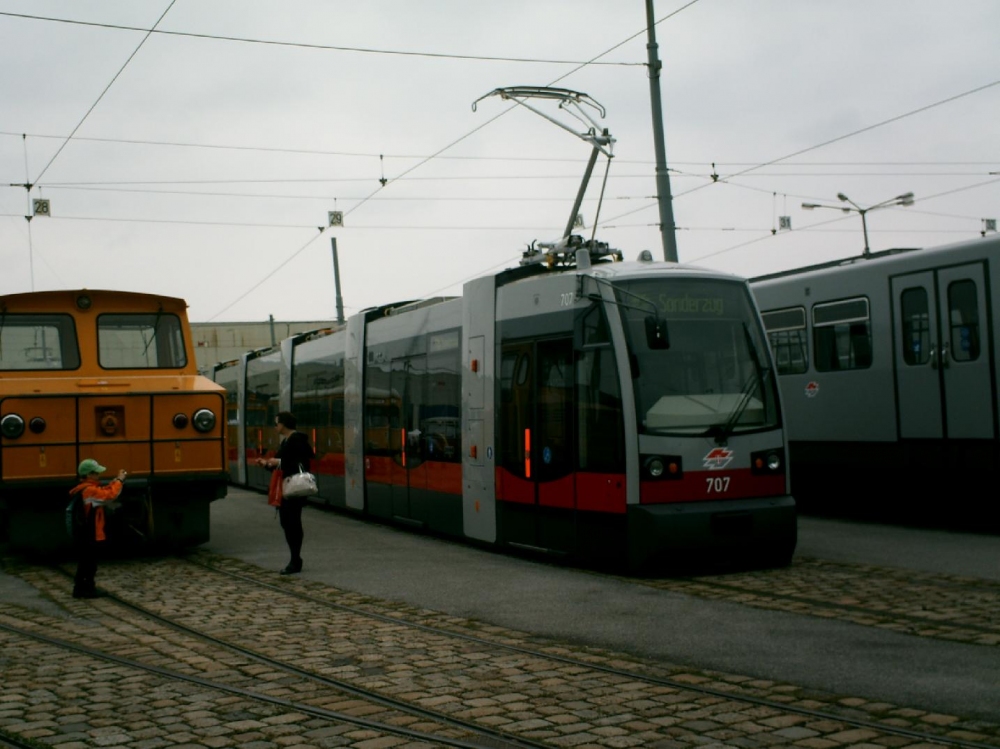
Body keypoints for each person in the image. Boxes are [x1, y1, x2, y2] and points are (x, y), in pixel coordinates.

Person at [256, 411, 315, 575]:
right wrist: (267, 464)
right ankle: (295, 558)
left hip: (293, 488)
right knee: (288, 522)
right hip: (287, 487)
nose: (275, 426)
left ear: (283, 424)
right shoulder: (288, 441)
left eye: (276, 423)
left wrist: (278, 461)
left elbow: (298, 462)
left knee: (292, 523)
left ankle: (295, 560)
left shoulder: (296, 440)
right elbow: (283, 465)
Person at [70, 458, 127, 599]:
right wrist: (120, 480)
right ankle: (86, 589)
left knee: (85, 561)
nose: (99, 476)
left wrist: (115, 481)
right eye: (96, 473)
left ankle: (82, 588)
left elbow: (103, 490)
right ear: (89, 475)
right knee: (89, 562)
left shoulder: (84, 489)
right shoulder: (89, 491)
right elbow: (109, 495)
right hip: (89, 533)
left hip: (84, 533)